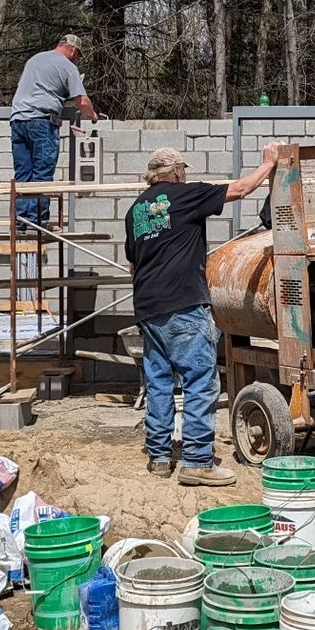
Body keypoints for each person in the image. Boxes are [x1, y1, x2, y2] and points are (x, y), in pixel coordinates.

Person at [126, 143, 281, 486]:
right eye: (183, 171)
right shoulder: (186, 195)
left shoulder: (135, 211)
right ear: (177, 173)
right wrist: (268, 163)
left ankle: (159, 457)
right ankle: (197, 461)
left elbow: (133, 266)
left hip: (148, 308)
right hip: (183, 303)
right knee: (199, 381)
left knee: (159, 383)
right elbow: (241, 189)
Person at [8, 34, 97, 228]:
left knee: (23, 173)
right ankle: (36, 223)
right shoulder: (68, 66)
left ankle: (21, 222)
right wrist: (93, 116)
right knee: (42, 173)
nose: (77, 59)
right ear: (73, 50)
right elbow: (81, 101)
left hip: (18, 121)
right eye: (78, 55)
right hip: (41, 122)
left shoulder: (35, 59)